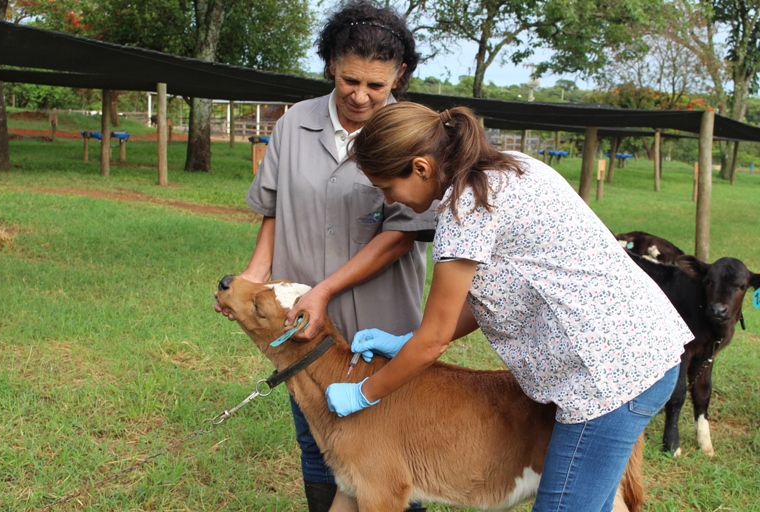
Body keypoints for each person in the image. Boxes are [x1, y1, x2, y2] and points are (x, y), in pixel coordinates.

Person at [326, 102, 694, 512]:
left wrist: (365, 392)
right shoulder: (510, 168)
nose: (387, 198)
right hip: (644, 353)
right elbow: (486, 300)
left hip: (606, 381)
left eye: (386, 187)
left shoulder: (464, 211)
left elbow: (434, 341)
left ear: (421, 168)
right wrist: (407, 340)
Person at [214, 3, 433, 511]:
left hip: (380, 323)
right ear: (331, 63)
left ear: (399, 76)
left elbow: (402, 234)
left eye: (376, 86)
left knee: (394, 455)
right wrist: (253, 276)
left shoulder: (413, 134)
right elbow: (273, 210)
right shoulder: (293, 124)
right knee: (319, 442)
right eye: (349, 79)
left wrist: (327, 289)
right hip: (301, 321)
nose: (360, 96)